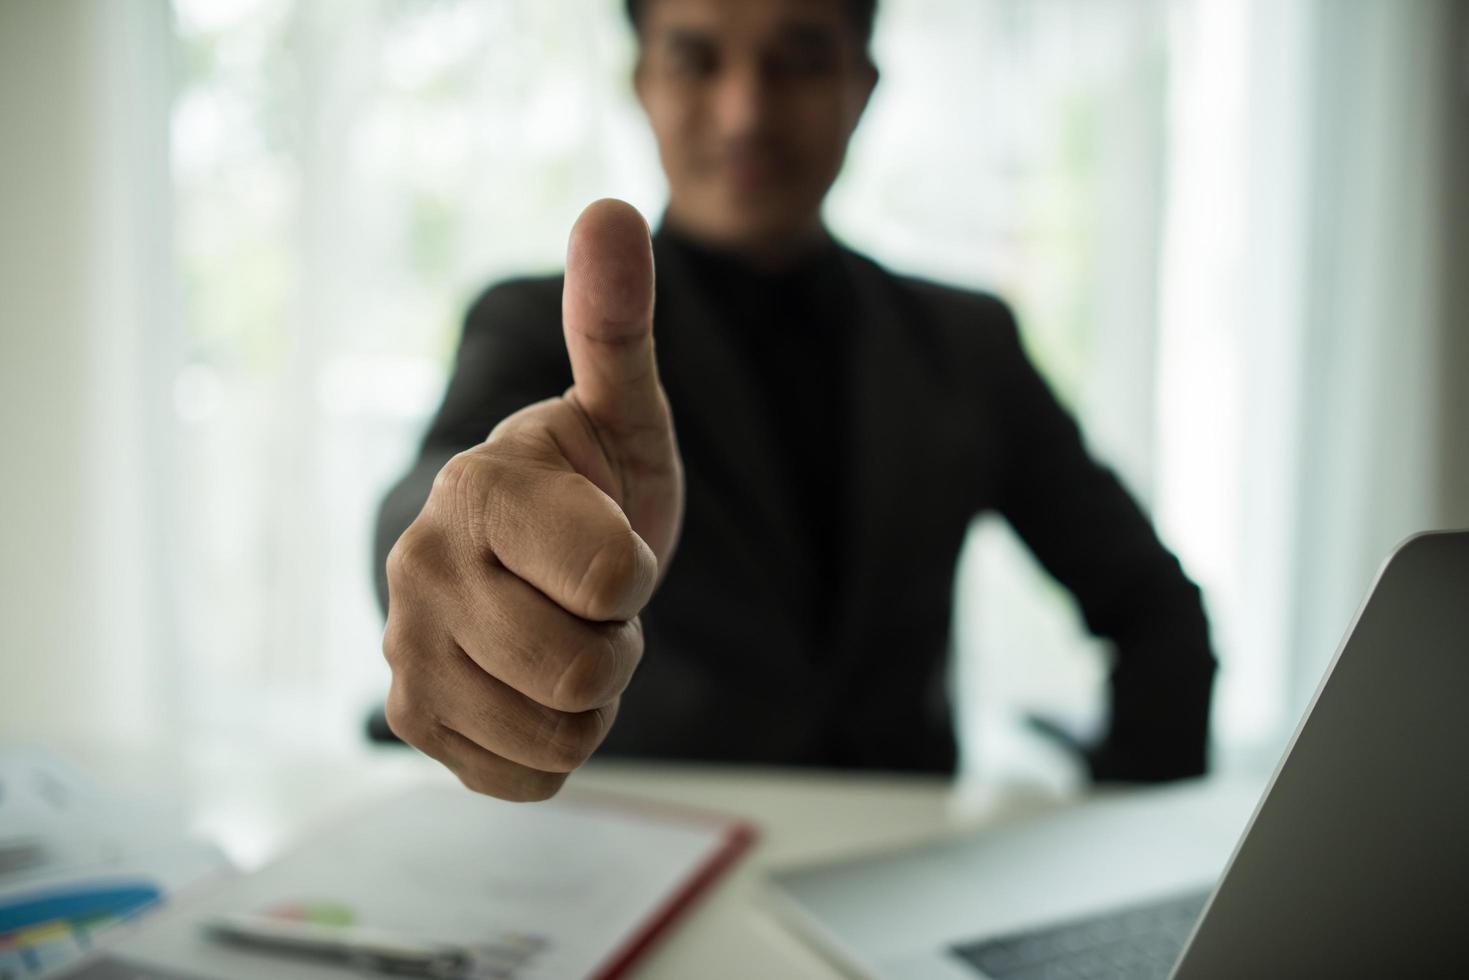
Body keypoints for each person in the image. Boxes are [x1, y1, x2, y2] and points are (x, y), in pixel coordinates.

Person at [373, 0, 1217, 802]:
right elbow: (439, 497)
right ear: (640, 82)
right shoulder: (536, 325)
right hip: (636, 868)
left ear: (863, 85)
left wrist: (1126, 834)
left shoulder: (969, 344)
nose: (745, 112)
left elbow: (1155, 611)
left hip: (899, 883)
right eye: (695, 58)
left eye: (801, 60)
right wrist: (465, 536)